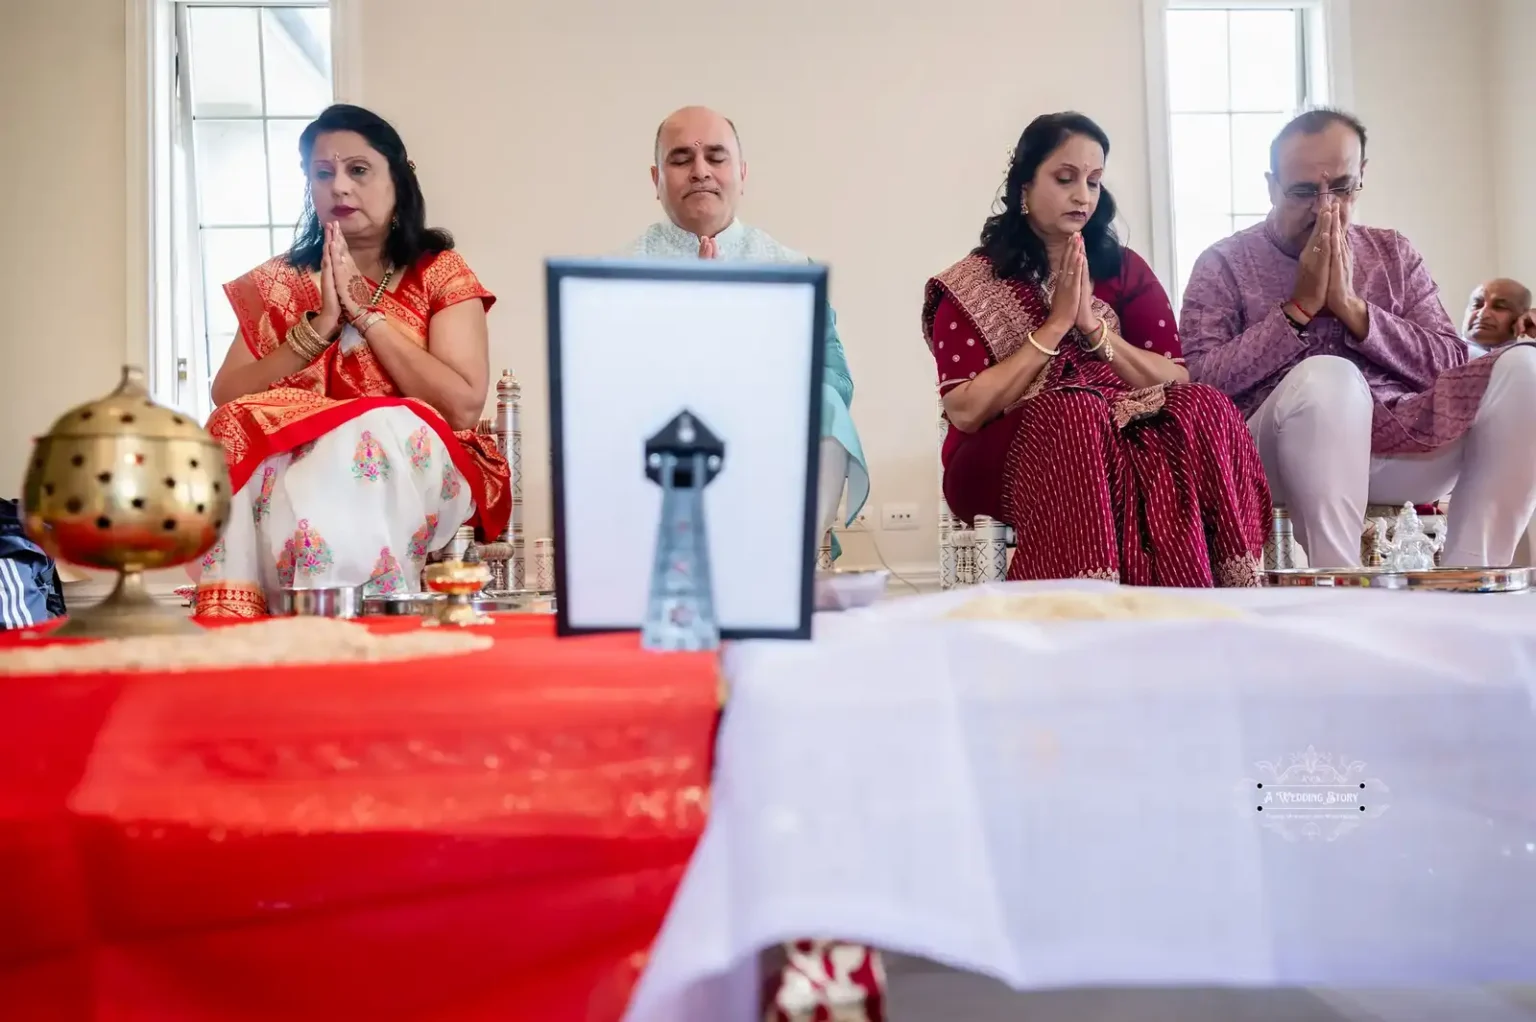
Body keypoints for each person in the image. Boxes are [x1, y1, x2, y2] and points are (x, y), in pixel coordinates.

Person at [924, 112, 1271, 586]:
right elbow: (965, 411)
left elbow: (1175, 378)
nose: (1082, 195)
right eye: (1065, 178)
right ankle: (1080, 601)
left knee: (1205, 406)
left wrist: (1091, 327)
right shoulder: (970, 283)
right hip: (1001, 457)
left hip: (1124, 435)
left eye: (1093, 181)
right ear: (1023, 186)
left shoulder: (1123, 270)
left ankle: (1216, 598)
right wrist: (1054, 327)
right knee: (1076, 413)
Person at [1181, 108, 1536, 568]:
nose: (1325, 207)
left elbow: (1452, 361)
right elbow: (1203, 383)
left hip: (1405, 443)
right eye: (1304, 191)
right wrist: (1297, 311)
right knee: (1331, 377)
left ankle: (1468, 575)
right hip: (1275, 453)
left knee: (1527, 369)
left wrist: (1353, 309)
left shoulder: (1393, 252)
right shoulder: (1224, 263)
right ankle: (1340, 583)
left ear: (1361, 176)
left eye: (1343, 188)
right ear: (1271, 187)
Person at [197, 104, 510, 617]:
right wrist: (319, 326)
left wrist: (366, 315)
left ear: (397, 182)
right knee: (263, 442)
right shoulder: (280, 281)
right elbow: (228, 398)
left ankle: (356, 612)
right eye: (324, 174)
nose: (339, 187)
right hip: (296, 463)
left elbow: (461, 409)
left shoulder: (440, 272)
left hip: (422, 462)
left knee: (371, 428)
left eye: (358, 170)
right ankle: (252, 618)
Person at [624, 106, 869, 555]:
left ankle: (787, 568)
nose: (700, 172)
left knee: (826, 404)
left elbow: (836, 378)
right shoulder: (619, 276)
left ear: (741, 172)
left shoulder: (791, 271)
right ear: (656, 178)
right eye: (681, 160)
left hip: (767, 440)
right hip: (662, 438)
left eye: (716, 157)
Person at [1463, 277, 1535, 357]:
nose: (1482, 314)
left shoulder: (1529, 356)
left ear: (1522, 316)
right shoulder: (1449, 355)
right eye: (1476, 305)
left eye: (1499, 307)